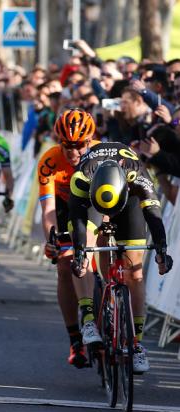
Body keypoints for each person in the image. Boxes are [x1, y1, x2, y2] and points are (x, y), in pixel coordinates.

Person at [68, 142, 173, 374]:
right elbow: (76, 218)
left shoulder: (138, 176)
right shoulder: (81, 177)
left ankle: (136, 345)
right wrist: (79, 253)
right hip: (95, 197)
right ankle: (88, 318)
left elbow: (154, 215)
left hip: (128, 199)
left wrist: (161, 250)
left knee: (134, 272)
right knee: (86, 245)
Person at [37, 108, 100, 368]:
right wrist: (51, 238)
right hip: (65, 208)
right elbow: (48, 209)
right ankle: (75, 340)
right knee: (65, 264)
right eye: (67, 146)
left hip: (96, 206)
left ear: (89, 142)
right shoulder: (49, 160)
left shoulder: (101, 155)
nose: (73, 153)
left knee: (107, 253)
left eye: (79, 146)